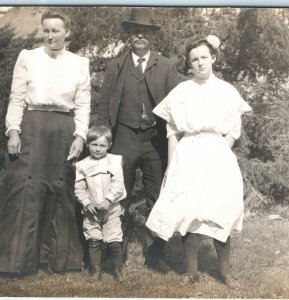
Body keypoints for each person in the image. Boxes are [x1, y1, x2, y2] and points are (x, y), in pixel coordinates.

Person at [146, 35, 252, 287]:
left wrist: (216, 153)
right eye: (194, 59)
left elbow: (233, 131)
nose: (200, 63)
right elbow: (172, 133)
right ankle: (191, 271)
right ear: (188, 65)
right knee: (189, 209)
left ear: (213, 58)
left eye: (204, 57)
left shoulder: (226, 91)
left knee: (220, 208)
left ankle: (225, 272)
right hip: (188, 153)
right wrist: (173, 167)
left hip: (217, 153)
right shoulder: (181, 92)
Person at [0, 10, 91, 274]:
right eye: (47, 30)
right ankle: (18, 261)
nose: (50, 36)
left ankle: (60, 260)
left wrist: (80, 135)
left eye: (56, 31)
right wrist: (14, 131)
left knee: (60, 190)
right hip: (32, 125)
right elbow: (16, 97)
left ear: (67, 33)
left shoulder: (79, 62)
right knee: (26, 191)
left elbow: (83, 104)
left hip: (64, 127)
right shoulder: (28, 58)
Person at [96, 8, 179, 272]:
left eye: (145, 31)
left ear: (153, 36)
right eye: (134, 31)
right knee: (120, 196)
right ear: (129, 36)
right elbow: (103, 107)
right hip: (123, 139)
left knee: (158, 198)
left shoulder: (166, 66)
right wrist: (102, 139)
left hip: (155, 141)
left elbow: (178, 105)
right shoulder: (116, 66)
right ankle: (115, 254)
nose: (139, 35)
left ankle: (155, 254)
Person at [75, 125, 127, 282]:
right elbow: (79, 188)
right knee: (94, 239)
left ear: (109, 146)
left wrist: (108, 200)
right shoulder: (82, 165)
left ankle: (118, 271)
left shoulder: (115, 161)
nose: (98, 149)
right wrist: (86, 203)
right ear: (87, 144)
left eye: (102, 145)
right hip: (92, 212)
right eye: (94, 145)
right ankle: (95, 271)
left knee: (114, 240)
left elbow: (118, 184)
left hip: (111, 210)